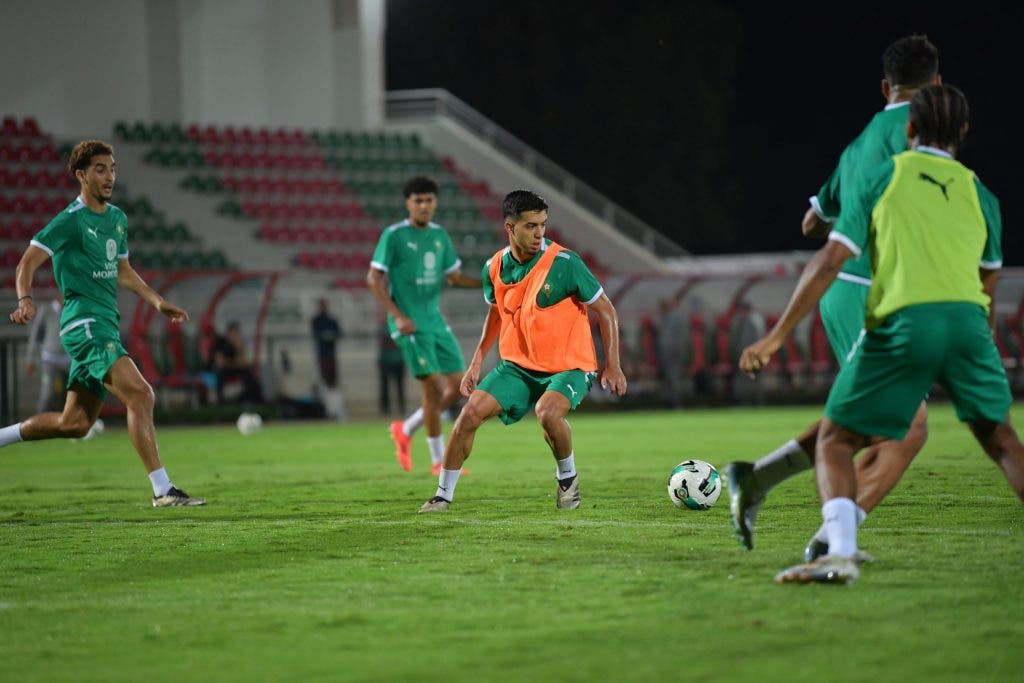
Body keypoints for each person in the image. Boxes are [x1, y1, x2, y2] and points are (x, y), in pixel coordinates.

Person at [740, 84, 1024, 584]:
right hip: (967, 325)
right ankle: (813, 528)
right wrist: (979, 348)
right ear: (962, 133)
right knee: (1002, 441)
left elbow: (830, 257)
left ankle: (840, 554)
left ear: (910, 129)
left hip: (904, 320)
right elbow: (988, 284)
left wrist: (777, 336)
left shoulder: (883, 175)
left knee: (836, 437)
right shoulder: (983, 193)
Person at [725, 35, 940, 558]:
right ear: (936, 84)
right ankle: (830, 542)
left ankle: (761, 483)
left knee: (878, 425)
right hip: (870, 291)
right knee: (906, 428)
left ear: (885, 87)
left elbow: (811, 220)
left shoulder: (862, 141)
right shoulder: (921, 131)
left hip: (856, 293)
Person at [3, 139, 204, 507]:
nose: (109, 176)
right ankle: (162, 490)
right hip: (83, 325)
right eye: (100, 169)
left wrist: (158, 301)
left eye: (112, 168)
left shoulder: (117, 219)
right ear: (81, 175)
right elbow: (26, 263)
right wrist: (25, 299)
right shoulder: (70, 221)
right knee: (141, 394)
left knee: (75, 424)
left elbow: (123, 272)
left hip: (105, 324)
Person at [418, 190, 628, 513]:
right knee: (469, 414)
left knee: (547, 412)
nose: (539, 233)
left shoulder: (565, 263)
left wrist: (612, 364)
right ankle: (442, 496)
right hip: (518, 367)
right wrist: (476, 363)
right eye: (530, 226)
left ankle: (567, 480)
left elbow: (607, 310)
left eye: (543, 225)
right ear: (510, 228)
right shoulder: (494, 267)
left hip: (569, 366)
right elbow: (496, 312)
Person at [366, 176, 482, 475]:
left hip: (435, 321)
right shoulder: (393, 236)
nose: (424, 205)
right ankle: (437, 460)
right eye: (418, 200)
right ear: (408, 204)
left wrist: (489, 283)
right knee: (432, 388)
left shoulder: (440, 237)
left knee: (459, 386)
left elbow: (454, 277)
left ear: (435, 203)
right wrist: (398, 315)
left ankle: (406, 429)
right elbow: (373, 279)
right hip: (409, 325)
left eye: (429, 200)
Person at [25, 296, 70, 413]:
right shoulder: (46, 310)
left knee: (70, 395)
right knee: (48, 395)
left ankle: (67, 426)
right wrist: (30, 359)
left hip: (70, 360)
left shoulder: (72, 311)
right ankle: (39, 424)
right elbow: (35, 335)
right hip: (50, 359)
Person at [210, 321, 263, 404]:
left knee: (250, 376)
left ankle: (254, 400)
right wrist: (234, 363)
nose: (235, 336)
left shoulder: (239, 345)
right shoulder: (221, 344)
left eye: (236, 334)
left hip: (236, 370)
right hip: (224, 371)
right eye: (233, 333)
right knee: (221, 375)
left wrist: (238, 350)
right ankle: (221, 400)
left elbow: (243, 363)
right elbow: (220, 363)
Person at [377, 315, 407, 416]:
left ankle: (401, 407)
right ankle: (385, 409)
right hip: (386, 361)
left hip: (398, 360)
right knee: (385, 387)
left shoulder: (399, 328)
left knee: (400, 387)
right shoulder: (384, 329)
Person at [311, 298, 342, 388]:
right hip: (321, 352)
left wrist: (330, 336)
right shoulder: (316, 320)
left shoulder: (332, 320)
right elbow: (314, 333)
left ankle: (332, 392)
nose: (323, 307)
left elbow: (338, 333)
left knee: (332, 376)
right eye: (321, 305)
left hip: (330, 352)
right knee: (322, 375)